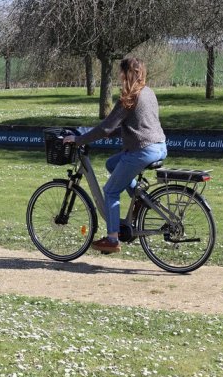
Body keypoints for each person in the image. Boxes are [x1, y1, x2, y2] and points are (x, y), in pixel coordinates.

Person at [63, 56, 167, 253]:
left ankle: (112, 239)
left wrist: (78, 140)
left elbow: (105, 127)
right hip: (159, 146)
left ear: (128, 74)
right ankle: (140, 200)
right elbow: (139, 124)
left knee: (110, 191)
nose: (119, 76)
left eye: (121, 72)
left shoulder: (129, 97)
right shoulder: (148, 92)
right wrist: (114, 132)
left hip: (142, 151)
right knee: (112, 164)